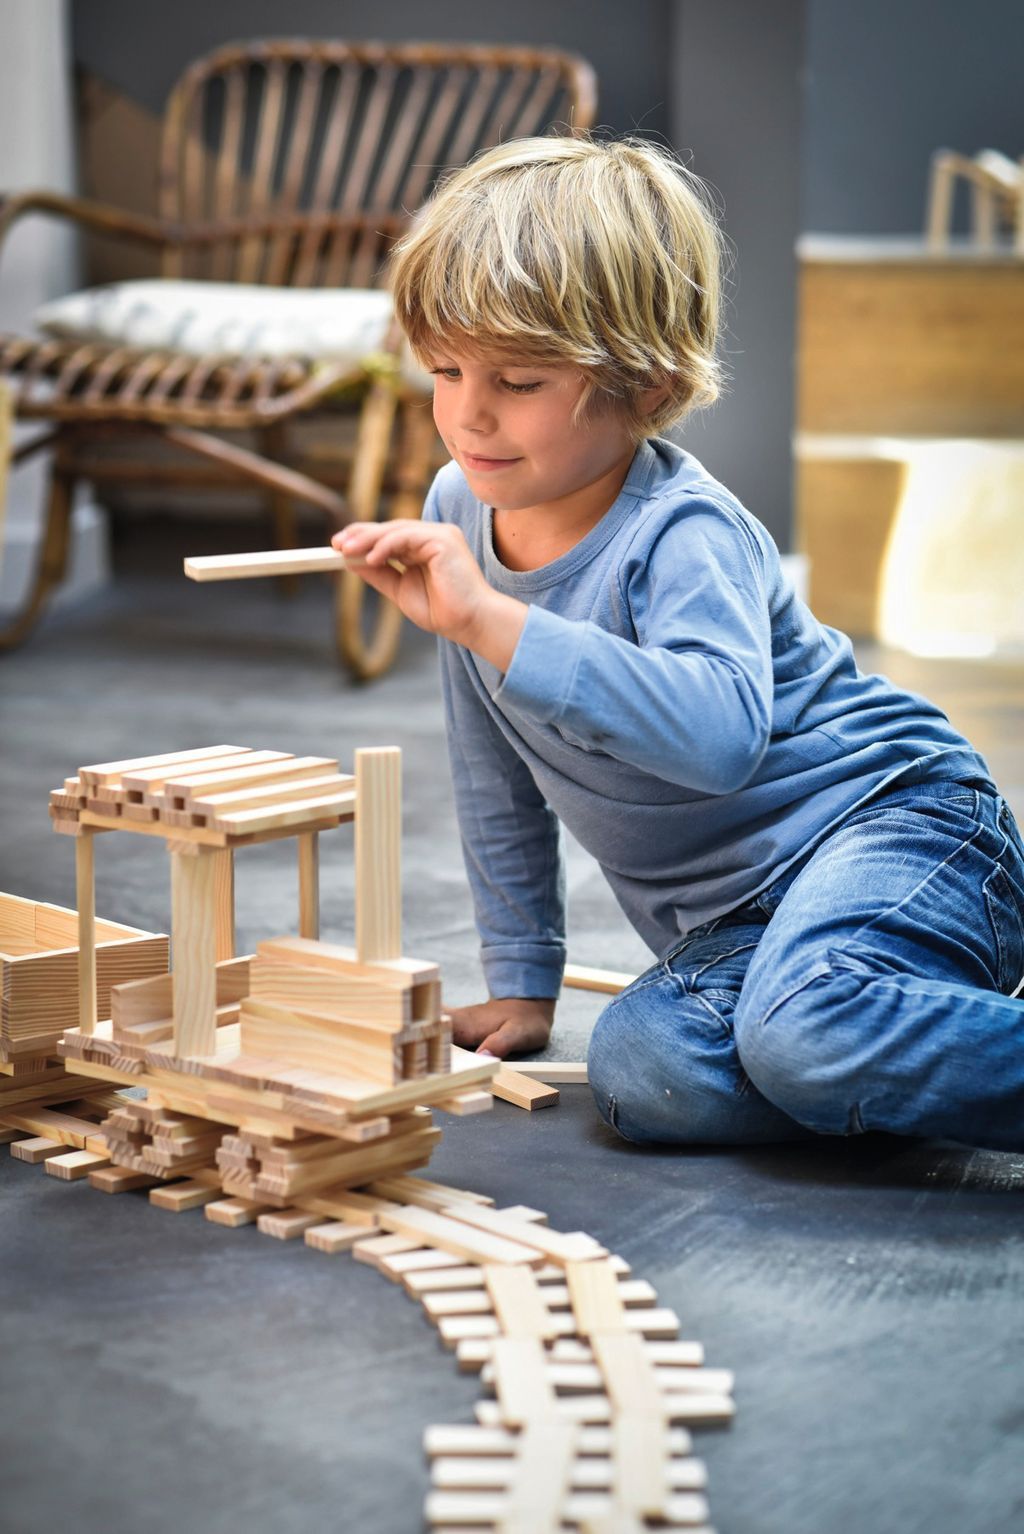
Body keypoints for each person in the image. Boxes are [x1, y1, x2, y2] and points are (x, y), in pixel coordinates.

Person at [333, 134, 1024, 1152]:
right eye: (443, 368)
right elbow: (493, 765)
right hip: (740, 929)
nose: (466, 413)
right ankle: (870, 1035)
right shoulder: (459, 508)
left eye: (518, 381)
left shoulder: (683, 534)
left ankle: (850, 1024)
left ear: (646, 387)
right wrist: (522, 982)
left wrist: (491, 616)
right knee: (645, 1074)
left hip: (896, 828)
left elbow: (717, 739)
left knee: (804, 1028)